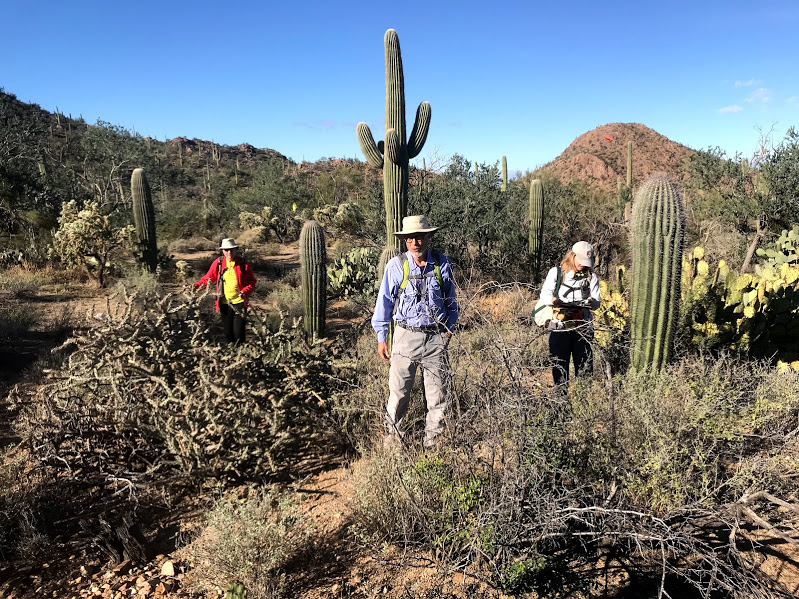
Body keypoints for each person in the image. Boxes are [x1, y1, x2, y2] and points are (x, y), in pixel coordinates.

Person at [372, 215, 460, 448]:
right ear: (404, 240)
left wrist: (448, 330)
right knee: (398, 394)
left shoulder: (442, 264)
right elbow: (384, 303)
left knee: (438, 396)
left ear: (428, 237)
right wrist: (382, 337)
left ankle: (433, 446)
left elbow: (452, 302)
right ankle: (393, 443)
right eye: (410, 238)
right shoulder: (396, 266)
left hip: (436, 337)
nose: (415, 242)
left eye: (419, 237)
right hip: (405, 337)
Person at [539, 241, 601, 387]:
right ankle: (561, 400)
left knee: (585, 370)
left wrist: (592, 303)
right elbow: (545, 295)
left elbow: (597, 303)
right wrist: (553, 301)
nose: (583, 265)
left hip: (583, 329)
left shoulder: (591, 277)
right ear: (572, 256)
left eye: (586, 262)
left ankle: (583, 398)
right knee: (559, 369)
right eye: (581, 260)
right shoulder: (557, 273)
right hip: (559, 328)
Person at [191, 238, 256, 345]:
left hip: (239, 302)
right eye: (226, 250)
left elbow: (252, 281)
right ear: (222, 251)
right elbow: (208, 278)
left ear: (236, 250)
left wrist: (245, 291)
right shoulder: (219, 263)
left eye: (231, 250)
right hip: (224, 303)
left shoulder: (243, 263)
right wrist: (194, 287)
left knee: (238, 333)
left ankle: (241, 352)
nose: (229, 252)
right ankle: (232, 351)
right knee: (227, 332)